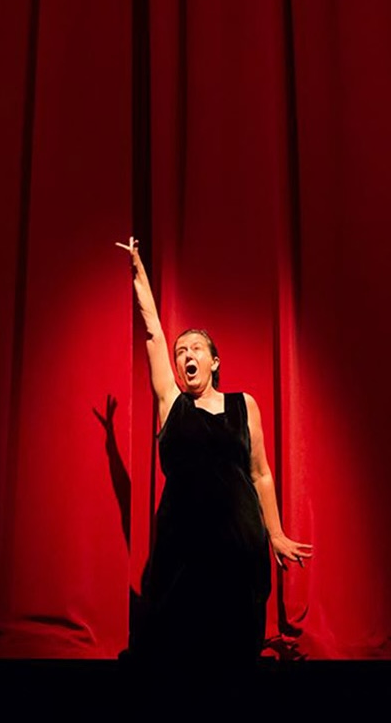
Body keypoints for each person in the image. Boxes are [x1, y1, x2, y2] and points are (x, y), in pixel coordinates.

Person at [116, 236, 311, 669]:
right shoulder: (172, 403)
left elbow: (260, 474)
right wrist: (138, 272)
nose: (186, 354)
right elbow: (151, 329)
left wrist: (275, 533)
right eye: (180, 350)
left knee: (233, 647)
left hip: (239, 542)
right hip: (183, 543)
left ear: (215, 362)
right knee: (177, 648)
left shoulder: (245, 405)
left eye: (195, 349)